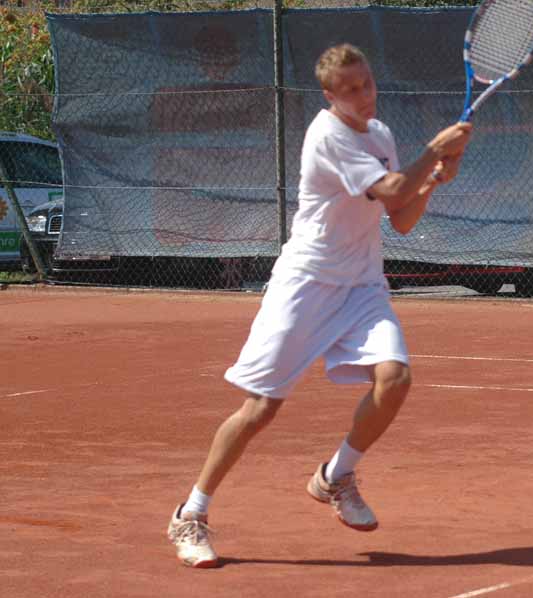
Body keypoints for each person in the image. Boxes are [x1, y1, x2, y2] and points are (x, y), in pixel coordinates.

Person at [167, 43, 472, 568]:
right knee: (260, 409)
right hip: (305, 284)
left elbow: (400, 217)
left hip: (362, 285)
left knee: (395, 378)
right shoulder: (327, 134)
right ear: (330, 96)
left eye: (367, 83)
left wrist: (436, 179)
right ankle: (189, 514)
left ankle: (336, 476)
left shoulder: (380, 134)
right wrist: (432, 151)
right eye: (349, 90)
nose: (363, 95)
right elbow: (394, 188)